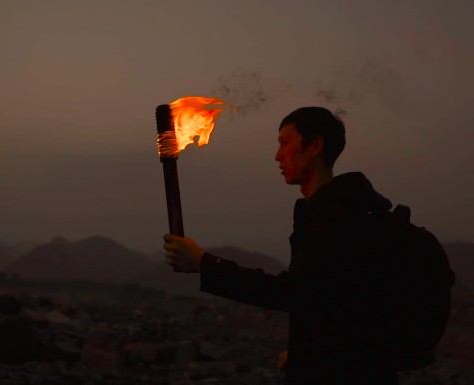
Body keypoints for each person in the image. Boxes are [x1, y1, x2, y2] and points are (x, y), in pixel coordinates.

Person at [163, 107, 400, 384]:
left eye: (285, 143)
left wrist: (205, 265)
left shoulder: (341, 215)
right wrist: (306, 352)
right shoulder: (324, 212)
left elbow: (293, 291)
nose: (277, 155)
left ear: (315, 146)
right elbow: (329, 302)